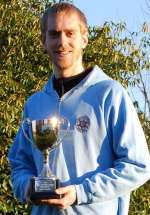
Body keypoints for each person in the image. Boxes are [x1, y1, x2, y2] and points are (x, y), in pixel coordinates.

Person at [8, 2, 150, 215]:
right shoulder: (34, 104)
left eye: (70, 33)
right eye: (54, 34)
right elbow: (19, 164)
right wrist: (27, 186)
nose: (62, 42)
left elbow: (138, 166)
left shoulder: (109, 94)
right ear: (43, 41)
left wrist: (79, 192)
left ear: (84, 39)